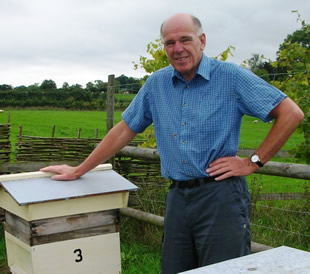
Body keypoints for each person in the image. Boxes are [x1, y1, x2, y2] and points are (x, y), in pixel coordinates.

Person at [41, 13, 304, 273]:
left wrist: (253, 162)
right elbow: (123, 131)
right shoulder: (157, 84)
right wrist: (79, 170)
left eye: (185, 40)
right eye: (169, 43)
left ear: (202, 41)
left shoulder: (231, 77)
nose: (177, 49)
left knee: (224, 270)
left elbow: (291, 113)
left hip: (220, 196)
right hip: (178, 197)